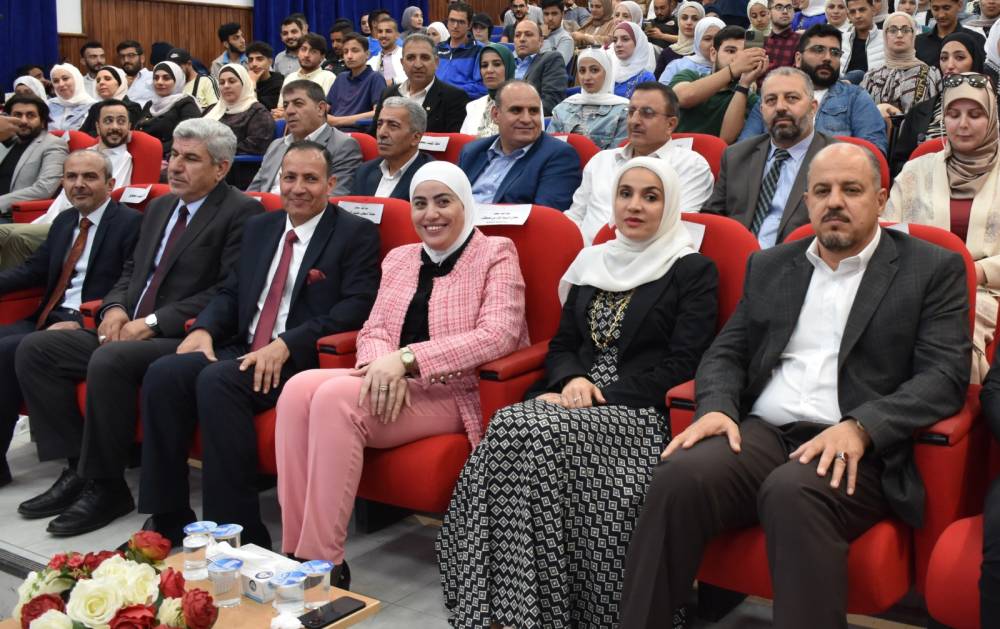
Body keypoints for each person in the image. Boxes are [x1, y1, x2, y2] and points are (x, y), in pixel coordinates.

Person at [619, 141, 971, 629]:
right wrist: (716, 407)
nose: (835, 202)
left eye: (851, 190)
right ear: (806, 201)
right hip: (764, 432)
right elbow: (725, 353)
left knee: (792, 491)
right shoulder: (772, 265)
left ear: (880, 200)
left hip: (861, 446)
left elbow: (944, 376)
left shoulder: (931, 268)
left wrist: (862, 427)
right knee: (678, 478)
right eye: (822, 191)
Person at [439, 156, 718, 629]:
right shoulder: (592, 261)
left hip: (640, 413)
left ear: (670, 206)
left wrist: (598, 395)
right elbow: (563, 344)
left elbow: (684, 362)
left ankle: (535, 609)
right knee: (513, 423)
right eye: (625, 194)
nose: (635, 206)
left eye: (651, 197)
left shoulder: (691, 270)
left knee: (531, 429)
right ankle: (504, 603)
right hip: (572, 400)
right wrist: (570, 382)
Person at [275, 159, 529, 579]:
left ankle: (323, 561)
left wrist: (407, 360)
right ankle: (294, 549)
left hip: (455, 389)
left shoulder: (496, 252)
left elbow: (498, 335)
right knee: (298, 390)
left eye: (443, 202)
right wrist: (380, 367)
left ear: (465, 204)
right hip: (392, 378)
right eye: (420, 203)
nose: (431, 214)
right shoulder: (401, 257)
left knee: (336, 399)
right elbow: (374, 327)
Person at [14, 119, 264, 536]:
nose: (175, 167)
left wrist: (151, 322)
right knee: (36, 350)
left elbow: (229, 289)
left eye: (190, 159)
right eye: (174, 156)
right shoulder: (161, 206)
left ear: (221, 168)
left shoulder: (242, 212)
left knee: (111, 359)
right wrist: (114, 307)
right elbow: (133, 270)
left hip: (182, 335)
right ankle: (77, 469)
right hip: (129, 327)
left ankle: (107, 486)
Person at [135, 139, 380, 551]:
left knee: (217, 381)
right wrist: (205, 328)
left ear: (331, 184)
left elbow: (356, 308)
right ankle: (169, 517)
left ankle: (237, 532)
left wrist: (287, 344)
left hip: (299, 361)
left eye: (310, 179)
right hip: (245, 345)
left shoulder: (355, 234)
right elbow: (232, 291)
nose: (298, 188)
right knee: (164, 374)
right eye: (290, 178)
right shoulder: (261, 227)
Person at [0, 151, 142, 485]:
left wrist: (82, 322)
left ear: (110, 183)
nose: (79, 184)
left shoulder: (131, 224)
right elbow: (34, 269)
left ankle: (78, 467)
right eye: (71, 177)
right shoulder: (66, 220)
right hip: (49, 315)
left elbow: (131, 285)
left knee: (8, 351)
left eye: (89, 177)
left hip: (91, 324)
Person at [883, 72, 998, 381]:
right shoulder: (916, 169)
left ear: (992, 117)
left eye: (975, 115)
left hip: (983, 290)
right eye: (953, 114)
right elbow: (888, 231)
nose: (962, 124)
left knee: (949, 332)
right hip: (913, 285)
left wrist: (975, 272)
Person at [706, 67, 839, 248]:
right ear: (762, 110)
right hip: (736, 256)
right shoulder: (736, 156)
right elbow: (712, 217)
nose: (780, 107)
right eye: (771, 100)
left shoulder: (838, 159)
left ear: (813, 107)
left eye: (791, 98)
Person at [567, 82, 713, 243]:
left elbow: (677, 229)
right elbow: (575, 217)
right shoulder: (601, 160)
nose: (634, 121)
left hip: (648, 256)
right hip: (586, 254)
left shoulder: (690, 166)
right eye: (631, 112)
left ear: (670, 124)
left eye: (647, 113)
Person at [5, 99, 138, 269]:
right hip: (54, 218)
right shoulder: (85, 153)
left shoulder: (124, 159)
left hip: (77, 223)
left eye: (121, 121)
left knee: (17, 237)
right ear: (97, 127)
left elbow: (107, 199)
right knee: (2, 233)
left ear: (129, 126)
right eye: (108, 121)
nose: (115, 127)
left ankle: (17, 285)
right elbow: (63, 197)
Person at [740, 24, 888, 153]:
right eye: (818, 50)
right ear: (798, 59)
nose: (828, 58)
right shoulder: (772, 97)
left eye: (835, 52)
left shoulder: (855, 97)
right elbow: (745, 148)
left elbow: (874, 152)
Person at [460, 80, 582, 211]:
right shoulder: (472, 151)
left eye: (533, 111)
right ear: (495, 115)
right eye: (516, 110)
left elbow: (544, 217)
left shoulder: (559, 156)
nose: (526, 119)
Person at [891, 32, 986, 173]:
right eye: (944, 58)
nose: (950, 65)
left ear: (975, 61)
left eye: (959, 57)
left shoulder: (993, 106)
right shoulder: (919, 111)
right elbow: (899, 163)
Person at [249, 80, 362, 197]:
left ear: (321, 109)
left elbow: (334, 197)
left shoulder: (343, 146)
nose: (289, 111)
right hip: (263, 207)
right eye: (286, 105)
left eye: (298, 104)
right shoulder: (276, 145)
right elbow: (253, 193)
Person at [670, 25, 768, 141]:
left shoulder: (747, 97)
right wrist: (734, 69)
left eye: (744, 54)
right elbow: (683, 98)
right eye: (730, 51)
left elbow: (726, 139)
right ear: (713, 54)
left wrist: (744, 85)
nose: (738, 59)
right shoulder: (690, 76)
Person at [370, 34, 471, 134]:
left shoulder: (454, 97)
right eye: (411, 58)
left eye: (425, 57)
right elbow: (374, 134)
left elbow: (454, 142)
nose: (418, 65)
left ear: (436, 62)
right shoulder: (388, 94)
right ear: (402, 63)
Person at [861, 11, 941, 120]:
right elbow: (860, 114)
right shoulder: (871, 76)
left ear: (913, 35)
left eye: (906, 30)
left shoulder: (929, 73)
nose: (899, 35)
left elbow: (937, 116)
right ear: (885, 36)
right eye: (893, 30)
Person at [207, 64, 274, 189]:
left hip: (235, 171)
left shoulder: (257, 112)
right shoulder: (212, 109)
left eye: (232, 81)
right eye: (222, 82)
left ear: (244, 83)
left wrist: (213, 151)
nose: (226, 86)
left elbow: (256, 145)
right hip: (206, 164)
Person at [0, 96, 69, 218]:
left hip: (15, 216)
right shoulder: (5, 141)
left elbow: (44, 189)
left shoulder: (54, 144)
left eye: (30, 115)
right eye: (17, 115)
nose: (23, 121)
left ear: (42, 121)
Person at [353, 97, 435, 199]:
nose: (382, 133)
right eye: (379, 124)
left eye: (393, 125)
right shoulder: (364, 171)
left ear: (415, 138)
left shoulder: (430, 176)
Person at [549, 48, 630, 148]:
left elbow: (617, 154)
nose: (587, 77)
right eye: (582, 71)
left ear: (607, 72)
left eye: (594, 70)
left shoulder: (623, 111)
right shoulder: (562, 108)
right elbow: (549, 148)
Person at [134, 62, 202, 161]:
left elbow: (188, 137)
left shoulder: (186, 104)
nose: (159, 82)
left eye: (166, 78)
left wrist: (155, 150)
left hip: (169, 158)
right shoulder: (150, 104)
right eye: (156, 78)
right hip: (141, 155)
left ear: (177, 81)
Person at [326, 34, 387, 132]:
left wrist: (337, 121)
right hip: (333, 132)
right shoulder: (341, 78)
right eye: (345, 52)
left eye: (355, 51)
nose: (349, 56)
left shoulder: (375, 78)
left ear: (367, 54)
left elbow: (378, 113)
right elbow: (325, 108)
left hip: (358, 133)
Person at [512, 20, 569, 114]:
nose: (521, 39)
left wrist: (517, 113)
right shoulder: (506, 63)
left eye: (528, 35)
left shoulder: (551, 59)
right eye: (517, 35)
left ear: (541, 41)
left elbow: (551, 103)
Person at [460, 43, 516, 136]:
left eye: (497, 64)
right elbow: (464, 141)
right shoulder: (473, 106)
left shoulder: (527, 103)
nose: (489, 70)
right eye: (484, 65)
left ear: (509, 67)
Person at [275, 33, 337, 113]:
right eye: (303, 49)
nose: (306, 55)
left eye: (313, 51)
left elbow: (321, 111)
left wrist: (287, 114)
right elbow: (281, 108)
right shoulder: (290, 78)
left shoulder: (328, 78)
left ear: (322, 57)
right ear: (298, 52)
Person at [436, 2, 487, 98]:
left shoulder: (479, 50)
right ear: (447, 22)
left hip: (461, 102)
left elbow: (483, 86)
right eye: (452, 20)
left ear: (469, 25)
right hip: (434, 100)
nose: (455, 26)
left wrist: (450, 91)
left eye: (461, 22)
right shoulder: (437, 48)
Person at [916, 0, 985, 66]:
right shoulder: (918, 42)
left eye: (946, 8)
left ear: (959, 5)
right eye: (936, 9)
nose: (941, 15)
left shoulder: (976, 39)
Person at [660, 16, 726, 85]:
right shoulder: (677, 66)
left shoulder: (731, 66)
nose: (713, 44)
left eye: (718, 39)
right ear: (697, 41)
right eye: (707, 39)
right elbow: (662, 90)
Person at [79, 66, 143, 135]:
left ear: (120, 83)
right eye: (98, 81)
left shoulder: (132, 108)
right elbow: (81, 134)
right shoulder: (95, 108)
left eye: (107, 79)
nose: (101, 83)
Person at [656, 1, 706, 75]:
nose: (689, 22)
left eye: (695, 19)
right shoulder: (667, 53)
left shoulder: (705, 52)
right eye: (684, 18)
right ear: (679, 21)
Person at [612, 22, 658, 98]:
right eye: (615, 40)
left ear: (638, 43)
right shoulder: (607, 71)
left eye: (625, 39)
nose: (618, 44)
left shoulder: (646, 78)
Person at [166, 49, 219, 113]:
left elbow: (216, 109)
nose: (175, 71)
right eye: (172, 68)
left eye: (178, 67)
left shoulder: (207, 81)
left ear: (189, 64)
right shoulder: (169, 85)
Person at [47, 64, 96, 132]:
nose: (61, 84)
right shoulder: (49, 105)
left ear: (77, 79)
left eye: (65, 79)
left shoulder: (93, 107)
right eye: (56, 81)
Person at [764, 0, 802, 75]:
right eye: (779, 7)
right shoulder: (762, 41)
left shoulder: (801, 41)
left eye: (789, 7)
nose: (785, 11)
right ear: (768, 13)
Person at [247, 41, 285, 111]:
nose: (254, 64)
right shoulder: (243, 81)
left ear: (270, 62)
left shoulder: (279, 84)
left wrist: (253, 83)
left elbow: (257, 111)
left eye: (259, 59)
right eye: (250, 60)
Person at [118, 41, 155, 107]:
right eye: (122, 56)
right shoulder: (115, 80)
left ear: (142, 58)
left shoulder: (154, 77)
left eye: (131, 55)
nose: (126, 60)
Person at [369, 17, 405, 83]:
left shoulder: (406, 56)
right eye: (380, 31)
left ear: (397, 35)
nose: (383, 35)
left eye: (388, 31)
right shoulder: (371, 62)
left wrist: (392, 82)